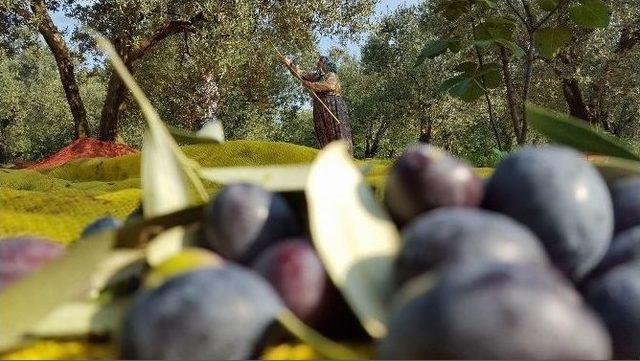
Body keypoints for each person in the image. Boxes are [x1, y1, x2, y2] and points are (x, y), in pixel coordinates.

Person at [281, 55, 353, 155]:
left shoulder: (331, 75)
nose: (317, 62)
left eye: (320, 61)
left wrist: (311, 85)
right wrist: (290, 65)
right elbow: (301, 75)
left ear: (325, 64)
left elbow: (329, 86)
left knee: (335, 130)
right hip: (320, 105)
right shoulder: (317, 76)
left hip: (332, 104)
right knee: (323, 130)